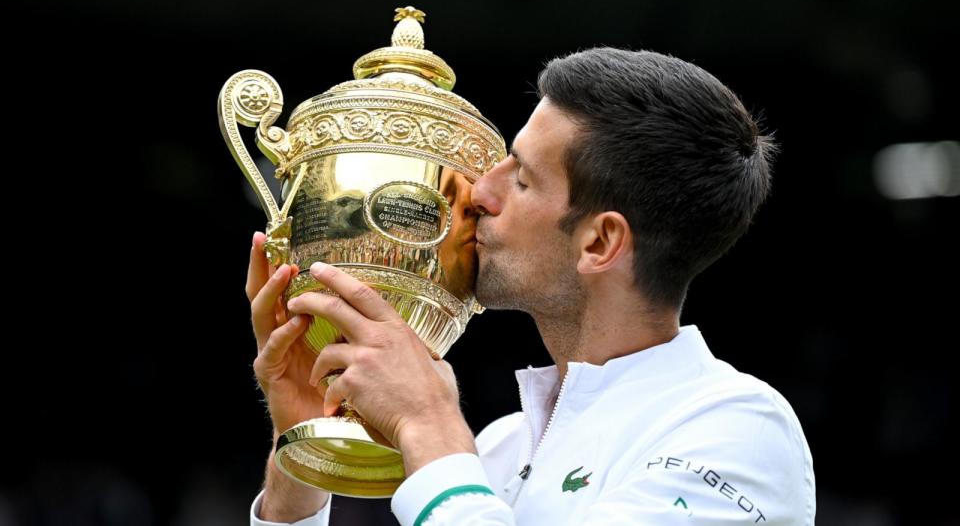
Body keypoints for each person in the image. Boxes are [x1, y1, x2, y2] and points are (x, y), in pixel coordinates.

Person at [246, 47, 816, 525]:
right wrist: (298, 471)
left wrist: (428, 424)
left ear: (599, 243)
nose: (477, 194)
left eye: (519, 177)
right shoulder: (497, 448)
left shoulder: (738, 434)